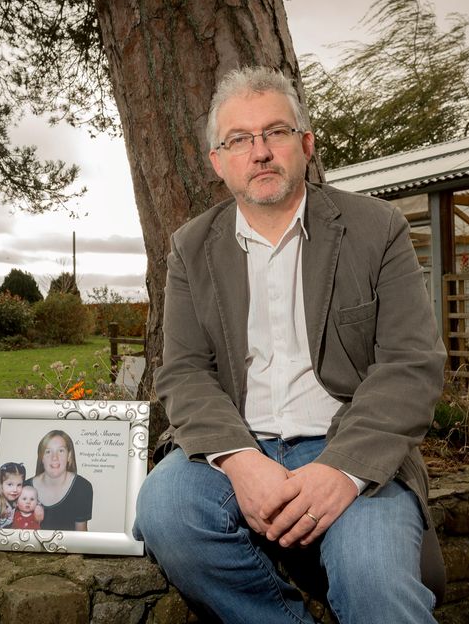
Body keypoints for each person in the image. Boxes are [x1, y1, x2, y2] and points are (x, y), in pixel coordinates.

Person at [133, 66, 447, 624]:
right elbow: (184, 371)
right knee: (165, 507)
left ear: (305, 144)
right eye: (239, 139)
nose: (259, 152)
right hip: (241, 444)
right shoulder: (191, 247)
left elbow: (410, 365)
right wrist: (238, 459)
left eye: (275, 132)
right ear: (218, 160)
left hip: (345, 442)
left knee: (377, 584)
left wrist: (343, 470)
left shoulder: (378, 229)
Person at [26, 430, 93, 531]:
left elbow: (81, 538)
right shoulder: (23, 488)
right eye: (48, 451)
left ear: (69, 456)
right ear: (41, 458)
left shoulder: (82, 488)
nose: (54, 458)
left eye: (61, 451)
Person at [0, 461, 26, 529]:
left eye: (19, 485)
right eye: (10, 484)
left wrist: (38, 507)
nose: (15, 489)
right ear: (0, 485)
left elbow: (32, 498)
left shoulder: (19, 499)